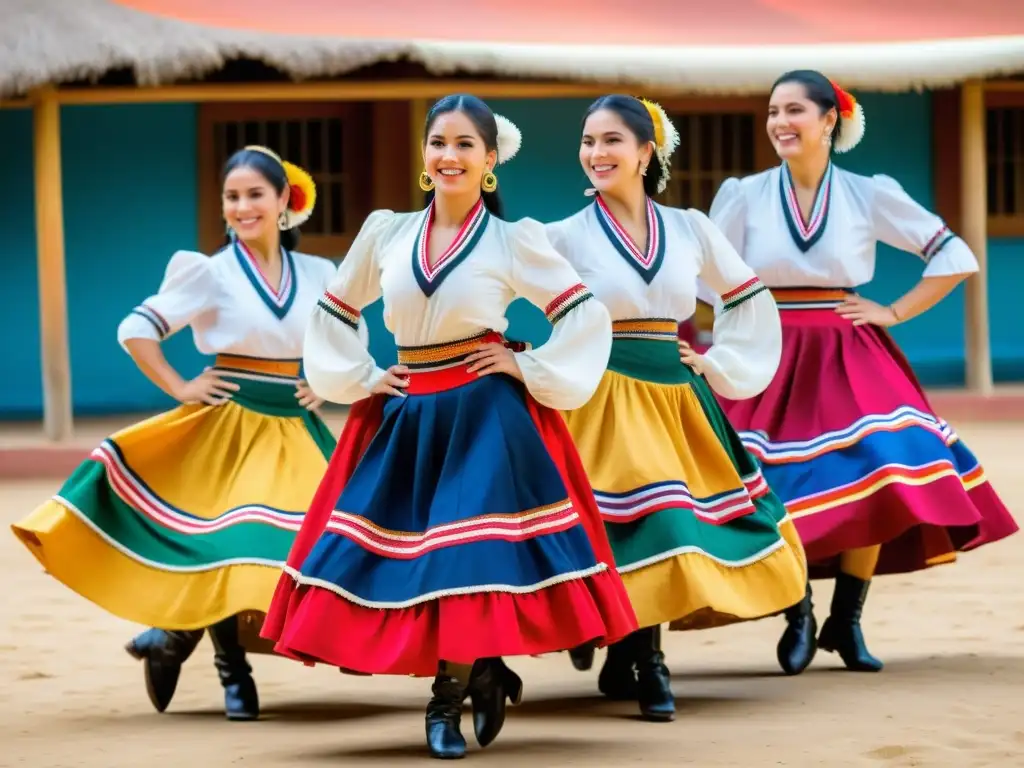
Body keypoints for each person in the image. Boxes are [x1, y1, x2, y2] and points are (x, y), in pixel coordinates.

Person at [259, 94, 637, 760]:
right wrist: (363, 376)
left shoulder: (514, 240)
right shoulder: (386, 233)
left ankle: (444, 703)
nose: (449, 156)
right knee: (402, 563)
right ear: (424, 154)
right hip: (408, 412)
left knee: (466, 554)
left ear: (490, 160)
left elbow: (583, 315)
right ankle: (484, 668)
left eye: (465, 145)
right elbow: (335, 309)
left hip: (485, 413)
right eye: (439, 143)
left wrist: (525, 367)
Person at [11, 145, 355, 720]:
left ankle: (171, 638)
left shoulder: (320, 273)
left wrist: (326, 380)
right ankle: (233, 675)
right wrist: (180, 386)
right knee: (227, 546)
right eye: (232, 197)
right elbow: (137, 328)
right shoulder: (210, 273)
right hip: (226, 422)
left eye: (254, 195)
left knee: (303, 549)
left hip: (294, 427)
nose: (242, 207)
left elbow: (345, 334)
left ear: (284, 202)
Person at [694, 70, 1018, 675]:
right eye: (772, 112)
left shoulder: (870, 193)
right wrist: (737, 334)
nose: (780, 123)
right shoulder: (744, 194)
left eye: (794, 110)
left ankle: (847, 619)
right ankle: (798, 608)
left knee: (877, 464)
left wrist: (892, 310)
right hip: (769, 347)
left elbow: (952, 255)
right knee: (769, 481)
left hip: (847, 346)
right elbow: (704, 282)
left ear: (828, 120)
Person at [549, 95, 808, 720]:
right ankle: (644, 661)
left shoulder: (690, 226)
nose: (596, 153)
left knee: (679, 522)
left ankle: (634, 654)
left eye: (611, 141)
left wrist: (717, 361)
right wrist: (525, 360)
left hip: (674, 393)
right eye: (587, 142)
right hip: (600, 398)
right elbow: (494, 295)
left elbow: (746, 296)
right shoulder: (560, 235)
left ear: (645, 152)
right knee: (635, 522)